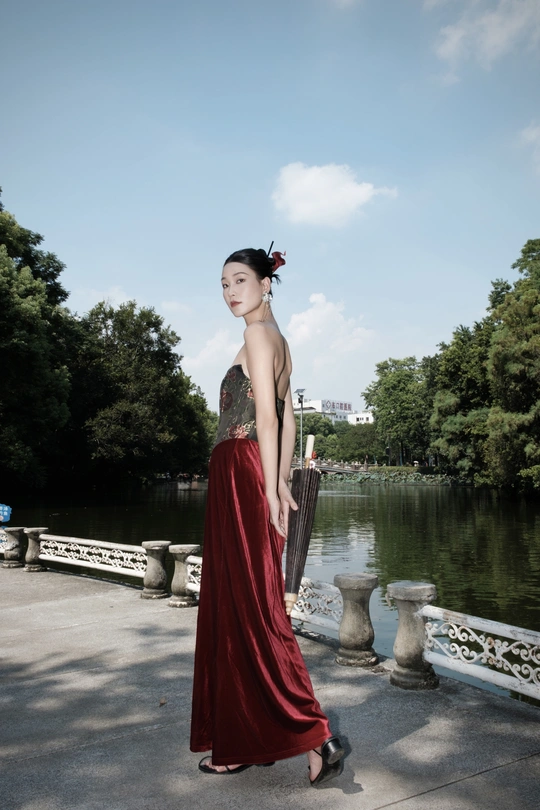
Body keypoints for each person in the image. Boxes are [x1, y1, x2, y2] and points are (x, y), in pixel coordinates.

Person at [190, 247, 345, 787]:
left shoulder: (258, 336)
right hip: (245, 471)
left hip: (240, 469)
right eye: (223, 284)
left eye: (240, 280)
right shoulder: (278, 340)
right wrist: (277, 479)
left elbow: (267, 418)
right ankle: (247, 740)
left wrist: (273, 484)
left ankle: (314, 733)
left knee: (253, 610)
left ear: (266, 284)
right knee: (242, 606)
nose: (230, 291)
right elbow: (287, 418)